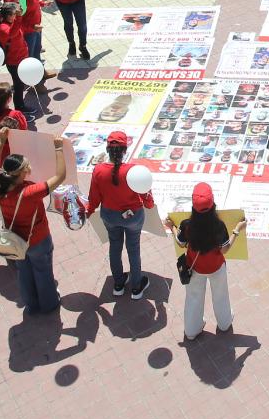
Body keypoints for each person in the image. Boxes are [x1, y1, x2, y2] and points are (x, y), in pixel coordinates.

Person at [0, 127, 69, 315]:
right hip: (38, 239)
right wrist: (58, 149)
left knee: (24, 272)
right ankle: (49, 304)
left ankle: (31, 304)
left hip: (15, 240)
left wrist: (1, 141)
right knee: (43, 272)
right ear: (23, 173)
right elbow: (60, 177)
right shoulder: (29, 193)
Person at [168, 181, 246, 341]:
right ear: (213, 204)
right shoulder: (219, 226)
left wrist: (172, 227)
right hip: (216, 267)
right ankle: (224, 323)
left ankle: (191, 330)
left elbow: (181, 243)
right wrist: (237, 230)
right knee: (221, 295)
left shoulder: (186, 224)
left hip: (195, 268)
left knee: (193, 298)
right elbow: (225, 249)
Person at [84, 130, 155, 297]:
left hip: (109, 215)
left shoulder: (99, 170)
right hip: (133, 217)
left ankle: (118, 284)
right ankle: (136, 287)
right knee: (133, 249)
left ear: (108, 150)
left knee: (114, 247)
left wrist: (88, 211)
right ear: (125, 150)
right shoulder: (134, 170)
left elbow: (93, 198)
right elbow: (147, 197)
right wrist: (149, 205)